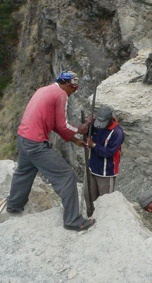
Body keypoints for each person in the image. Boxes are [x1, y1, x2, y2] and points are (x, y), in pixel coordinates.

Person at [7, 70, 96, 231]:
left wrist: (75, 140)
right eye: (73, 90)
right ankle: (73, 220)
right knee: (66, 176)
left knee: (24, 172)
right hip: (36, 143)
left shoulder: (44, 90)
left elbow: (54, 124)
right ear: (69, 85)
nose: (72, 93)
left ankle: (14, 205)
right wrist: (79, 129)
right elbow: (63, 125)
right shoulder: (60, 94)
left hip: (23, 137)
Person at [84, 106, 124, 216]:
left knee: (105, 202)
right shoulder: (98, 125)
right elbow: (88, 134)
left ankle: (103, 221)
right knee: (88, 196)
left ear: (110, 120)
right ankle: (90, 217)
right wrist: (89, 125)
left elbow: (109, 152)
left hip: (106, 172)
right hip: (92, 167)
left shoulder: (117, 133)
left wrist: (94, 145)